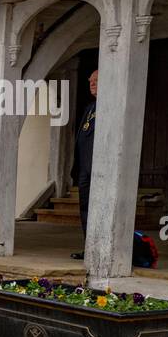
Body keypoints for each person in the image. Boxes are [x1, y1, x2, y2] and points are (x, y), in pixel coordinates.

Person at [71, 69, 98, 260]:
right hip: (84, 170)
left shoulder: (110, 106)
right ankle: (88, 247)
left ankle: (98, 248)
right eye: (91, 81)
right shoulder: (90, 108)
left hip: (98, 169)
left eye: (97, 81)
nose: (92, 84)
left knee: (96, 210)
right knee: (85, 208)